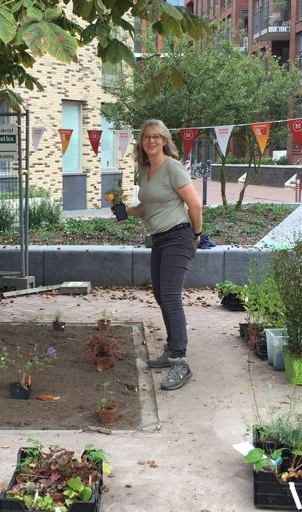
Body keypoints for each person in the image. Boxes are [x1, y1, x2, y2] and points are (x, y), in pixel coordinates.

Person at [117, 119, 203, 391]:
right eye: (146, 137)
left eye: (156, 137)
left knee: (170, 297)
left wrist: (197, 235)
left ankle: (180, 361)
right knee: (160, 295)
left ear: (165, 140)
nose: (151, 141)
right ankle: (172, 349)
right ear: (141, 142)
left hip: (179, 237)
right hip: (159, 239)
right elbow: (147, 204)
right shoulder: (145, 170)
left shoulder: (172, 168)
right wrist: (127, 211)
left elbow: (195, 204)